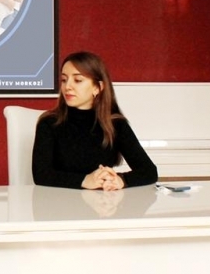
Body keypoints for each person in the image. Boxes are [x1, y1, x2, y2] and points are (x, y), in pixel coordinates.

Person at [32, 52, 157, 190]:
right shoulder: (49, 122)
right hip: (57, 200)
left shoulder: (115, 124)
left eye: (77, 80)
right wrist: (85, 180)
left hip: (101, 201)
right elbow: (41, 175)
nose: (67, 86)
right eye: (64, 80)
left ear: (97, 87)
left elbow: (149, 171)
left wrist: (120, 180)